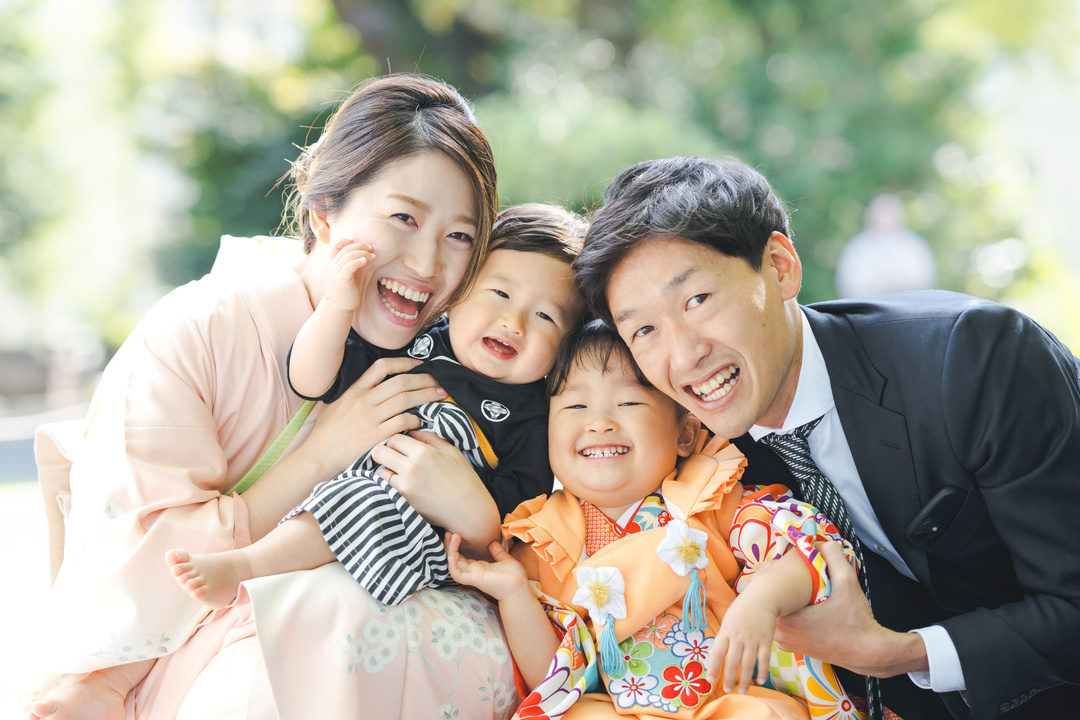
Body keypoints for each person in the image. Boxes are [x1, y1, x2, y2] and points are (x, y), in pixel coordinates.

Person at [22, 74, 524, 720]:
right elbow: (147, 544)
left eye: (460, 237)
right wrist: (321, 455)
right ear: (324, 212)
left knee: (346, 610)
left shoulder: (461, 356)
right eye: (403, 218)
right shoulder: (202, 327)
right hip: (188, 642)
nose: (428, 265)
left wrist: (478, 522)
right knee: (328, 610)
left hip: (386, 642)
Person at [572, 156, 1080, 720]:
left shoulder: (969, 359)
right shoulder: (696, 455)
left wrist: (898, 654)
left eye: (697, 300)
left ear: (780, 267)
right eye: (644, 329)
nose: (683, 356)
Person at [165, 203, 587, 610]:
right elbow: (311, 380)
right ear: (459, 292)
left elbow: (520, 518)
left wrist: (473, 508)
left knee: (362, 498)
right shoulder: (416, 340)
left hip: (426, 540)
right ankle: (250, 566)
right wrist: (337, 306)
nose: (514, 323)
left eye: (546, 317)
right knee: (350, 494)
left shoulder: (534, 416)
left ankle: (243, 568)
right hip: (341, 494)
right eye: (500, 293)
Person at [447, 319, 872, 720]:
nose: (599, 423)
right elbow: (552, 681)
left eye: (628, 402)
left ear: (684, 433)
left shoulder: (708, 498)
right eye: (575, 405)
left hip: (726, 700)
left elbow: (809, 550)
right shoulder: (543, 540)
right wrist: (516, 595)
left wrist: (765, 597)